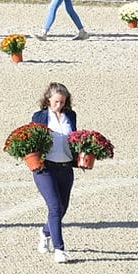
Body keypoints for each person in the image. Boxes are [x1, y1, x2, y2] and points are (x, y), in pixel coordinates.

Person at [29, 81, 81, 263]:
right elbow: (31, 140)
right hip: (45, 168)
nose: (59, 105)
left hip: (65, 167)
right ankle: (59, 249)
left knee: (62, 208)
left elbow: (75, 138)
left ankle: (45, 232)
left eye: (62, 102)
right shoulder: (40, 116)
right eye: (56, 101)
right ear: (48, 100)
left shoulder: (70, 116)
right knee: (55, 207)